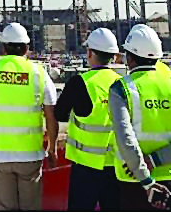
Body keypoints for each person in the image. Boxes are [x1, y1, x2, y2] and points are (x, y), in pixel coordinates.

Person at [108, 24, 171, 211]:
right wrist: (155, 160)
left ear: (130, 57)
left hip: (135, 181)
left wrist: (146, 179)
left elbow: (126, 140)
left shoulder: (122, 89)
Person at [0, 23, 58, 211]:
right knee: (31, 209)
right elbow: (51, 114)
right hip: (30, 154)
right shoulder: (39, 73)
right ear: (26, 48)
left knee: (5, 209)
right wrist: (52, 148)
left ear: (3, 48)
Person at [54, 28, 121, 211]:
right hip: (116, 167)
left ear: (90, 53)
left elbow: (59, 114)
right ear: (114, 57)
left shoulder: (80, 83)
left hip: (85, 167)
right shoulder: (124, 83)